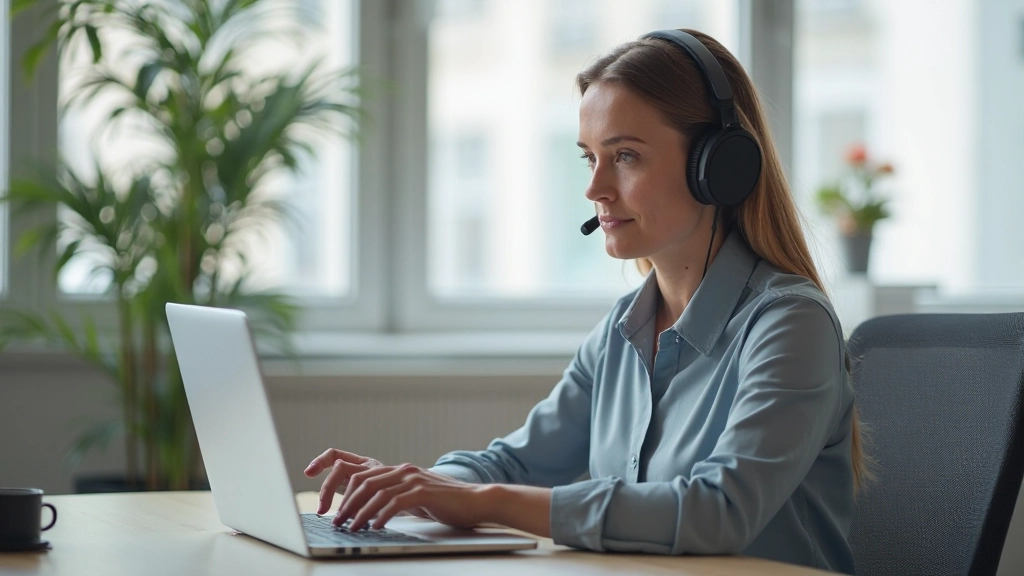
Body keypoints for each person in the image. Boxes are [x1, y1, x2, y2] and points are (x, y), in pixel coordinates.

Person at [303, 28, 866, 575]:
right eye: (588, 157)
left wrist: (483, 502)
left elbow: (715, 513)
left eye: (624, 156)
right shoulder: (624, 330)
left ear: (717, 168)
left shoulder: (790, 324)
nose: (595, 188)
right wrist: (412, 484)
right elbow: (517, 463)